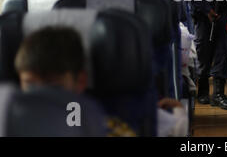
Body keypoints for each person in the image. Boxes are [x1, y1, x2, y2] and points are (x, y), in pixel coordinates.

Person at [15, 27, 187, 137]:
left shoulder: (108, 130)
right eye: (30, 84)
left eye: (53, 85)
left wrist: (179, 121)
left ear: (80, 81)